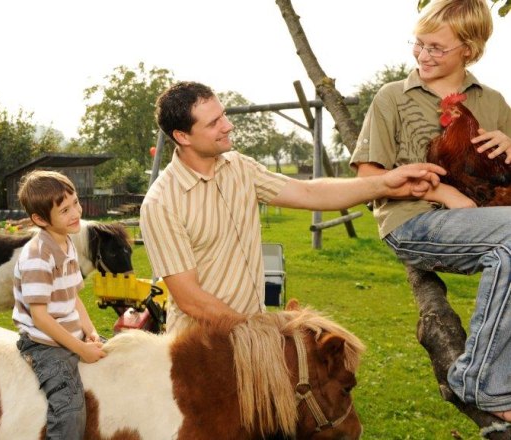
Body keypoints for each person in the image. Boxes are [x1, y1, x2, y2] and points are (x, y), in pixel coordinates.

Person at [139, 81, 445, 337]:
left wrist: (387, 183)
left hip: (248, 337)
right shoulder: (161, 203)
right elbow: (191, 299)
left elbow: (311, 192)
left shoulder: (239, 168)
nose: (228, 125)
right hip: (199, 352)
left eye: (224, 115)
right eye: (214, 123)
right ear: (182, 136)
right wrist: (257, 330)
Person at [349, 0, 511, 421]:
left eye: (437, 48)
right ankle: (480, 382)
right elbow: (367, 174)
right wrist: (442, 193)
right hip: (412, 221)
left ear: (469, 50)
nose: (423, 55)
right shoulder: (392, 97)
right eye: (418, 44)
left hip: (480, 223)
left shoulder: (492, 101)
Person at [12, 170, 106, 440]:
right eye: (64, 210)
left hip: (70, 333)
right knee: (70, 411)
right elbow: (40, 317)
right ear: (40, 219)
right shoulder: (37, 256)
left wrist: (90, 331)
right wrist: (80, 349)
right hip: (44, 344)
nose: (76, 212)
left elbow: (73, 296)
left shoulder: (67, 242)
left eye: (75, 203)